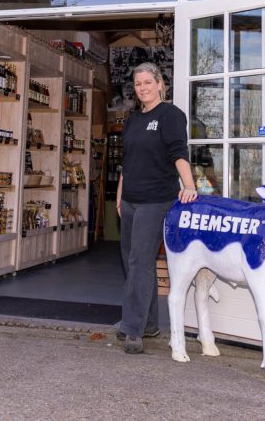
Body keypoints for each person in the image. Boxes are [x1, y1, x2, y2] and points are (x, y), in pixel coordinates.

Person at [115, 62, 197, 354]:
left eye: (148, 82)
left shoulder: (171, 115)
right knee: (134, 262)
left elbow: (179, 153)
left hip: (156, 199)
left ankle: (132, 329)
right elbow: (127, 161)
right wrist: (120, 194)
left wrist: (189, 186)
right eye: (138, 84)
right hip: (131, 200)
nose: (143, 88)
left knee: (139, 261)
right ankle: (148, 323)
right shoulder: (133, 120)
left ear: (161, 84)